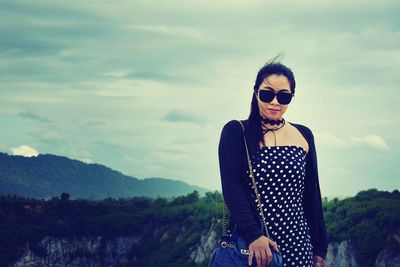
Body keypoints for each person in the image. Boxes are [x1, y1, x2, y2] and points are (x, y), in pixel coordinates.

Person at [218, 59, 328, 267]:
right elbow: (232, 189)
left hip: (299, 244)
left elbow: (311, 194)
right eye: (268, 94)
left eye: (284, 96)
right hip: (255, 247)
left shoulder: (304, 135)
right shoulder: (236, 131)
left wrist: (319, 248)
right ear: (256, 92)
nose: (275, 102)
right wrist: (253, 235)